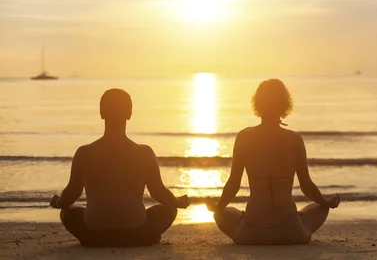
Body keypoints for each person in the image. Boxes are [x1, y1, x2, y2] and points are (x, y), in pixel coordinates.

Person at [206, 79, 340, 245]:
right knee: (319, 207)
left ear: (257, 104)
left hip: (251, 232)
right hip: (291, 232)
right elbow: (306, 186)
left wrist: (218, 207)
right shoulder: (294, 139)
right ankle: (301, 218)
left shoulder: (244, 137)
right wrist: (326, 202)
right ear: (284, 104)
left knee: (224, 213)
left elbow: (233, 183)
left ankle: (242, 218)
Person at [50, 88, 190, 247]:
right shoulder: (144, 152)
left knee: (67, 212)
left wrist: (59, 202)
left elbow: (71, 194)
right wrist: (177, 202)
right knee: (168, 210)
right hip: (135, 228)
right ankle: (143, 238)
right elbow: (159, 192)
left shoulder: (84, 153)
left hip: (95, 231)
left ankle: (94, 239)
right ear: (129, 114)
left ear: (101, 113)